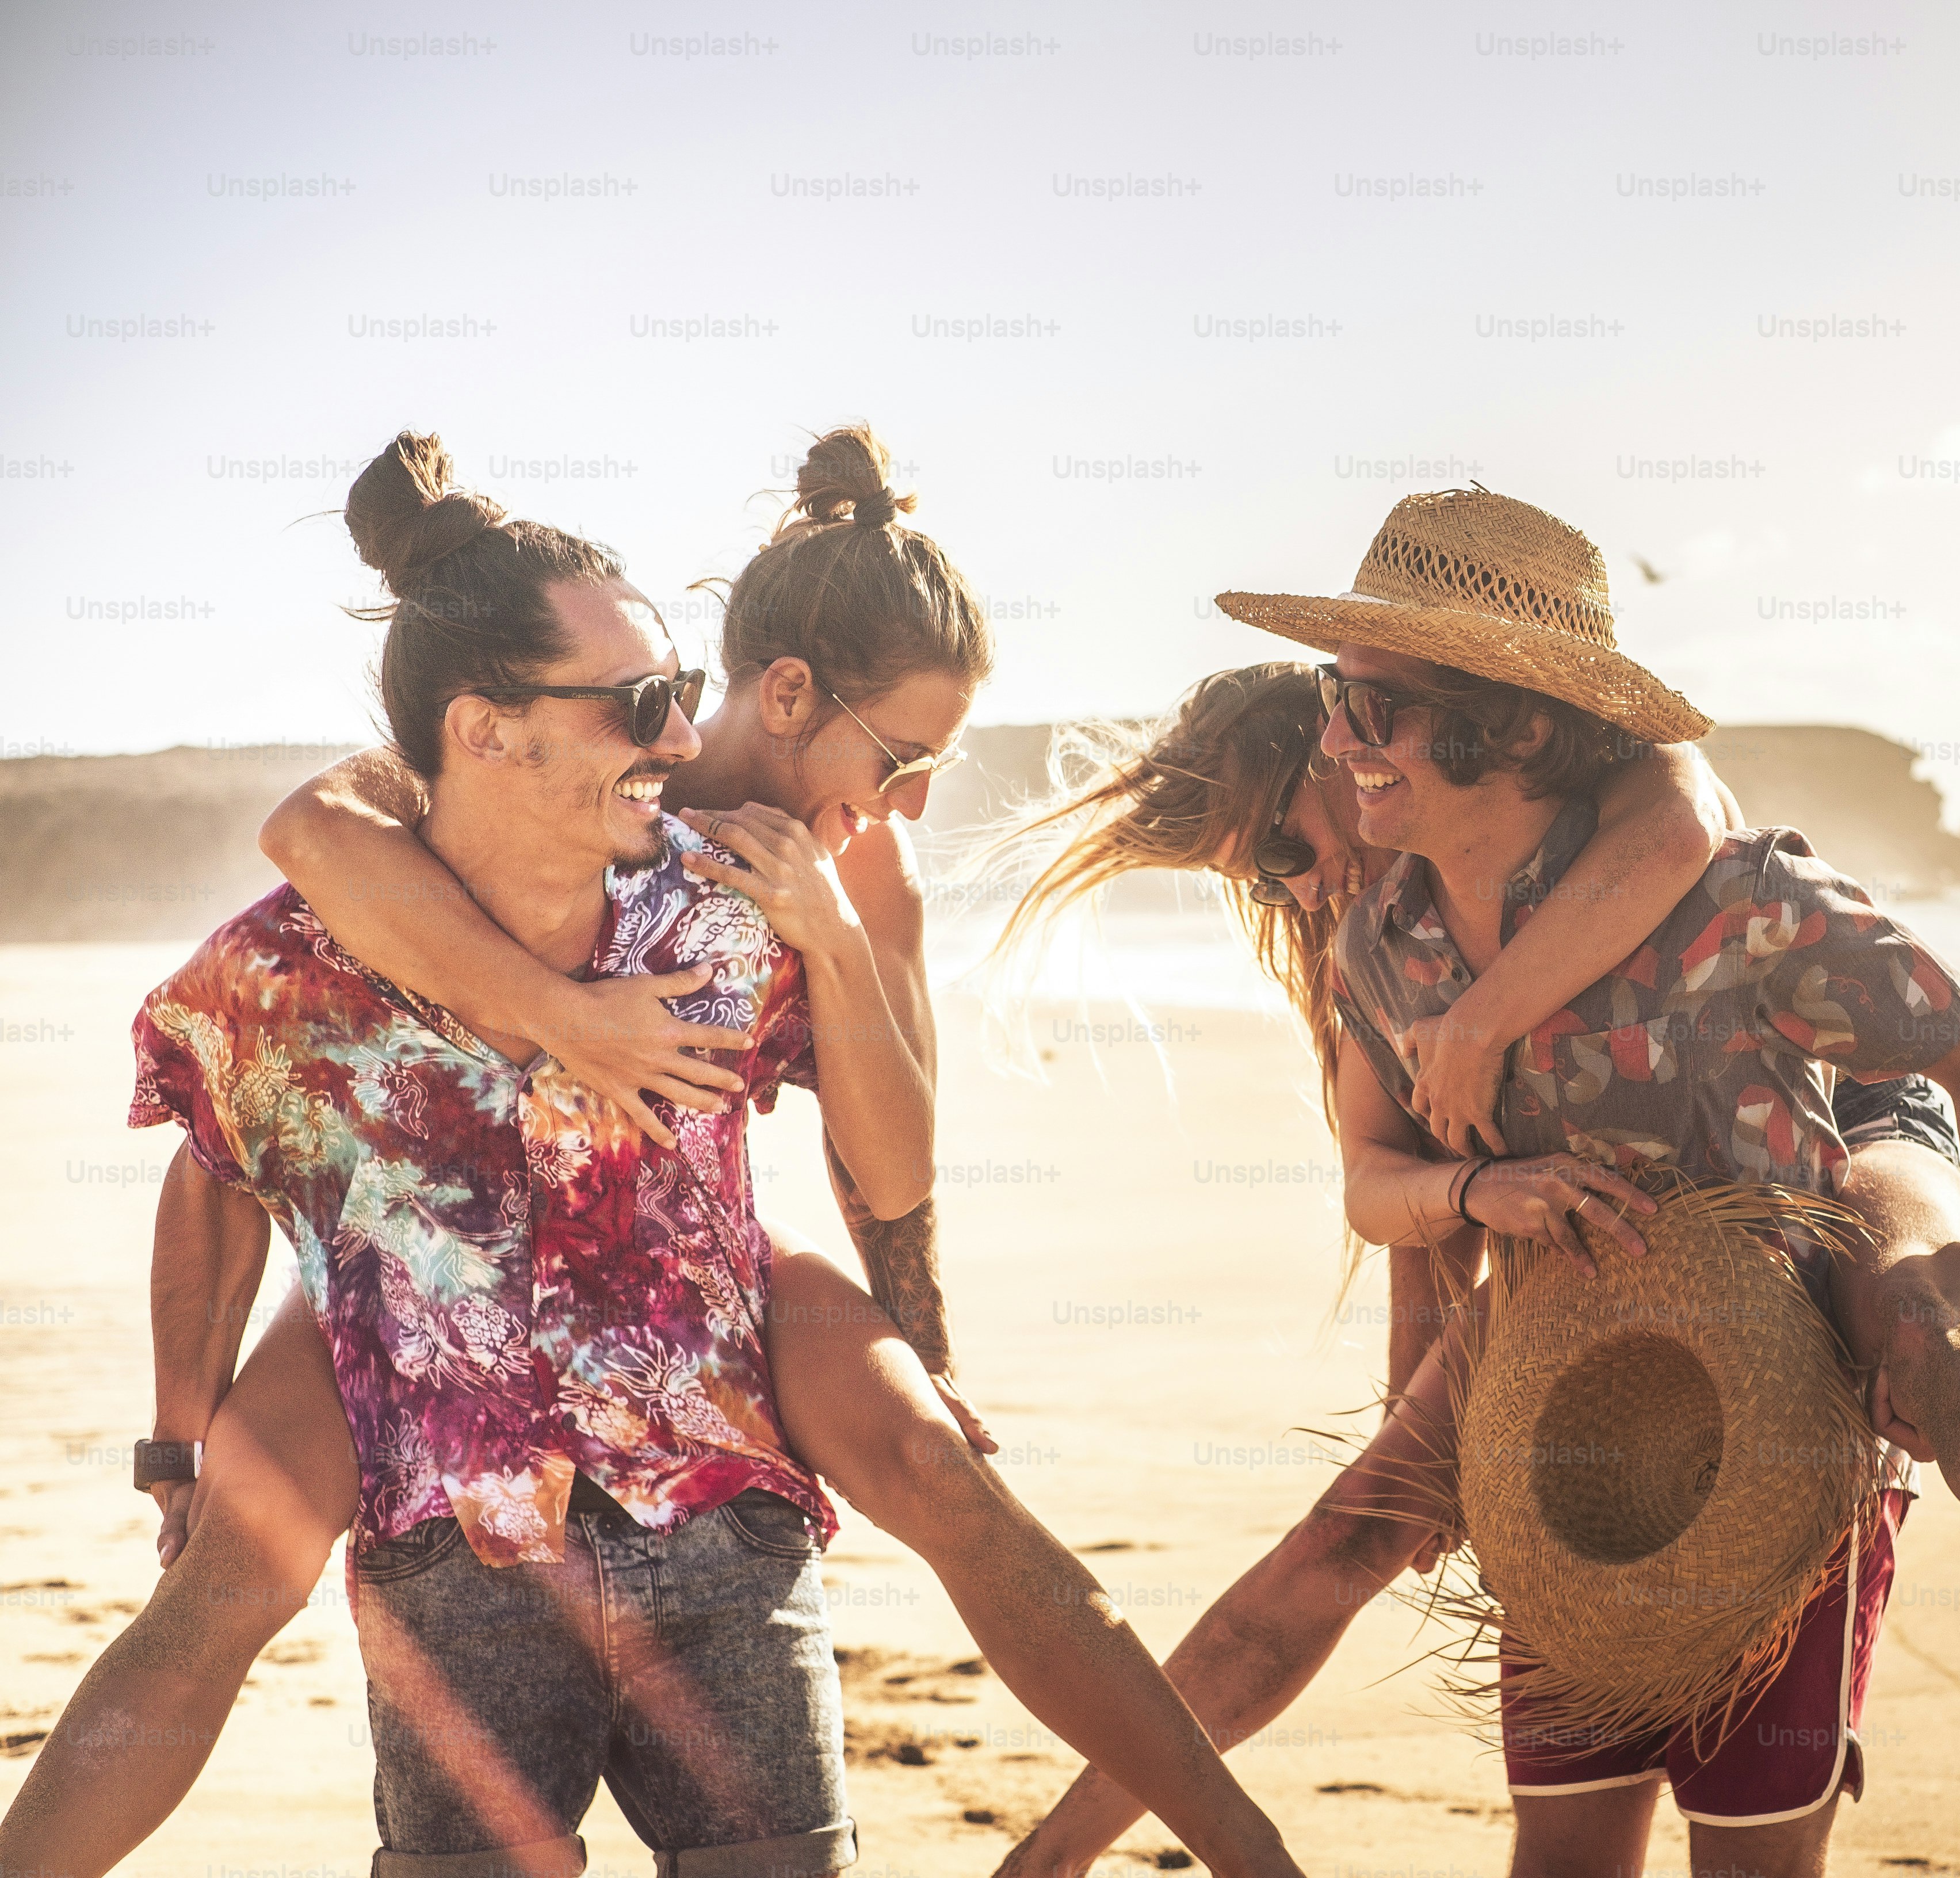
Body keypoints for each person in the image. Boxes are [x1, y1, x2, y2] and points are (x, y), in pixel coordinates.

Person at [0, 434, 1304, 1878]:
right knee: (225, 1578)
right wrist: (177, 1438)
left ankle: (1241, 1849)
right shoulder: (358, 897)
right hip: (418, 1295)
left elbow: (892, 1158)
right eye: (641, 703)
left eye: (672, 694)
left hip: (692, 1297)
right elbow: (246, 1075)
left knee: (949, 1485)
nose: (675, 735)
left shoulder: (783, 889)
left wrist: (914, 1327)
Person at [989, 491, 1960, 1877]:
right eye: (1261, 881)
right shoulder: (1383, 951)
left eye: (1289, 844)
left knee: (1916, 1307)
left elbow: (1715, 840)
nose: (1296, 884)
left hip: (1814, 1150)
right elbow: (1410, 1202)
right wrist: (1431, 1414)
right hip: (1590, 1265)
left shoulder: (1680, 864)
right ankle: (1056, 1855)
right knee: (1361, 1555)